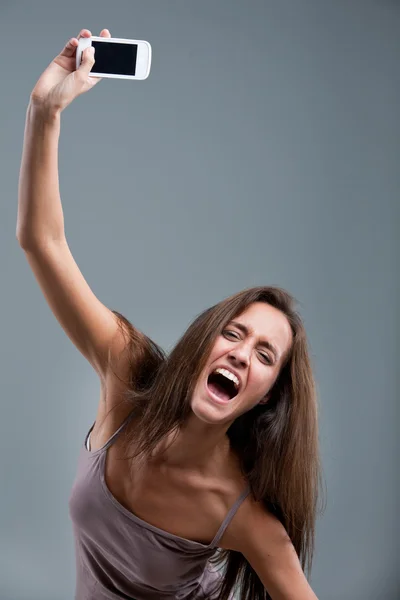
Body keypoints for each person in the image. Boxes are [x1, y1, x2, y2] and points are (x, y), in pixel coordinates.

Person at [17, 28, 323, 600]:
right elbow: (41, 241)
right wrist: (44, 110)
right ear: (204, 340)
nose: (240, 352)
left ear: (267, 396)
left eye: (264, 355)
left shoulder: (242, 512)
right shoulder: (126, 375)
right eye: (234, 332)